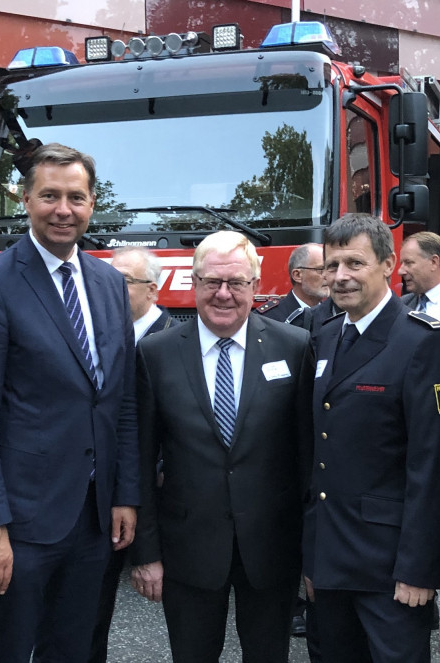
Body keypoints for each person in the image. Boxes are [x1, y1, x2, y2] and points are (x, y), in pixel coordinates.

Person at [0, 143, 139, 663]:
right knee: (9, 649)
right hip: (21, 522)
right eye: (50, 196)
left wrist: (124, 494)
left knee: (76, 649)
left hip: (94, 517)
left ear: (92, 203)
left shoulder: (108, 283)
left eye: (75, 197)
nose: (63, 209)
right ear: (25, 200)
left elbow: (119, 402)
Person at [130, 230, 314, 663]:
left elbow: (308, 456)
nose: (224, 294)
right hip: (188, 550)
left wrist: (313, 553)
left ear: (255, 285)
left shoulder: (295, 347)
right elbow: (138, 459)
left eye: (236, 283)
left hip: (272, 549)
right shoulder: (155, 354)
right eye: (212, 282)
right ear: (194, 284)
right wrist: (146, 553)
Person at [305, 214, 440, 663]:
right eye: (332, 266)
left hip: (390, 569)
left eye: (355, 263)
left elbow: (434, 467)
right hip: (331, 557)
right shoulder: (327, 336)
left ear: (389, 265)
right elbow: (319, 453)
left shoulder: (422, 343)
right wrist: (311, 558)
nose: (340, 277)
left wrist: (420, 569)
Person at [89, 246, 176, 663]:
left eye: (123, 282)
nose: (111, 289)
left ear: (153, 290)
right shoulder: (96, 333)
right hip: (104, 488)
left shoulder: (174, 340)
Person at [257, 243, 328, 327]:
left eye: (330, 269)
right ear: (297, 275)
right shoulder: (268, 319)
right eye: (321, 270)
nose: (328, 275)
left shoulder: (334, 313)